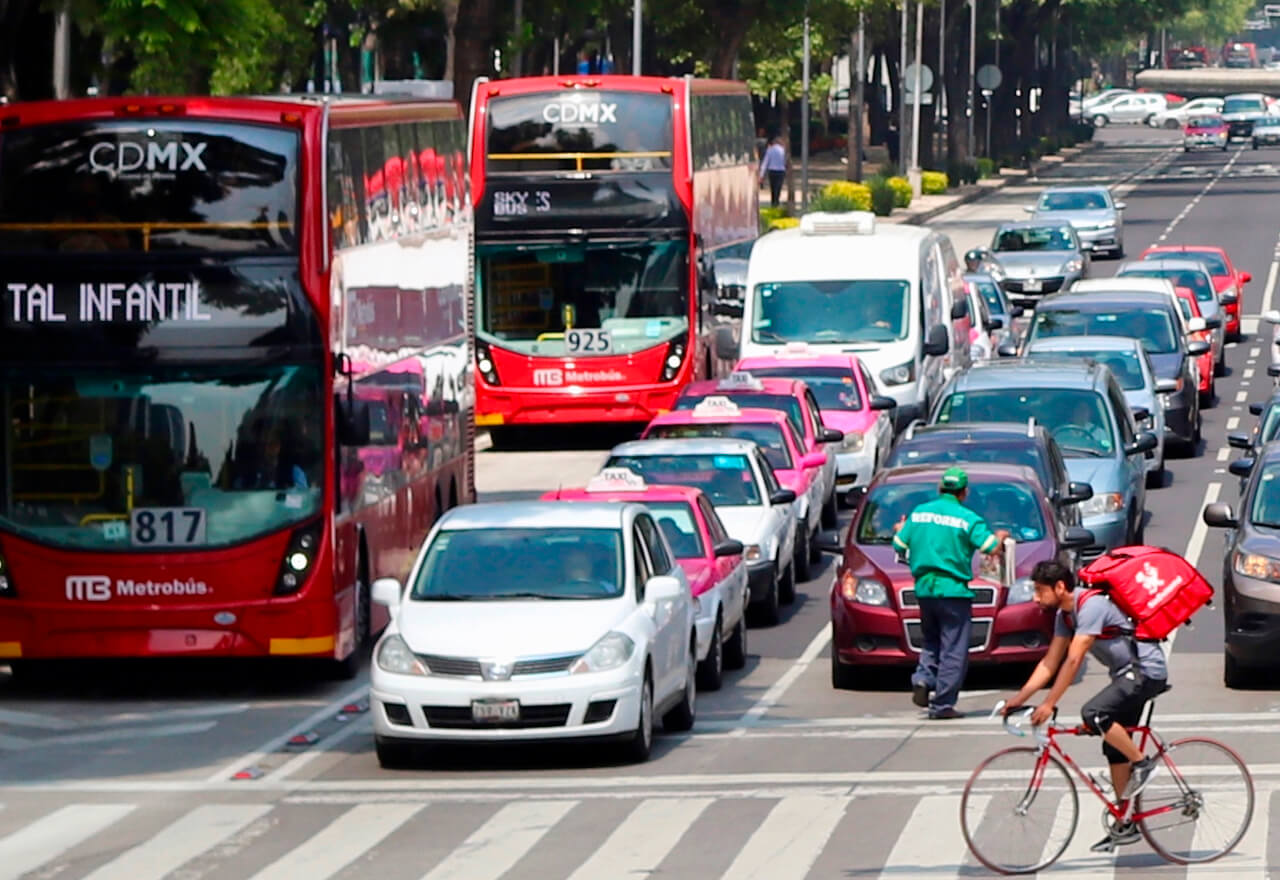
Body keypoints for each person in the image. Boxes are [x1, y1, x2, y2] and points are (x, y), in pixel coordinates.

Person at [1004, 559, 1168, 853]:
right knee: (1113, 747)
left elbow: (1074, 659)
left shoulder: (1090, 606)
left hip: (1145, 671)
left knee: (1094, 713)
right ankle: (1125, 822)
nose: (1035, 597)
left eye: (1040, 591)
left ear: (1060, 587)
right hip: (1126, 675)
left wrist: (1049, 703)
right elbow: (1050, 662)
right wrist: (1019, 699)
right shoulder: (1064, 617)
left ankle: (1144, 764)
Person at [892, 467, 1009, 719]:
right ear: (964, 492)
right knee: (953, 648)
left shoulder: (919, 513)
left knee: (931, 640)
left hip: (924, 588)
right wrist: (1000, 536)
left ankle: (923, 678)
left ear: (940, 488)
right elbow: (990, 547)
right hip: (954, 591)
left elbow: (899, 544)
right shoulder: (968, 519)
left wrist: (902, 528)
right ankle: (943, 704)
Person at [758, 136, 787, 208]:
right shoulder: (783, 150)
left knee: (773, 187)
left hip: (772, 171)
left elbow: (765, 163)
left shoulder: (770, 150)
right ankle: (776, 201)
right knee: (778, 187)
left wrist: (761, 175)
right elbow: (785, 162)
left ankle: (773, 202)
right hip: (781, 171)